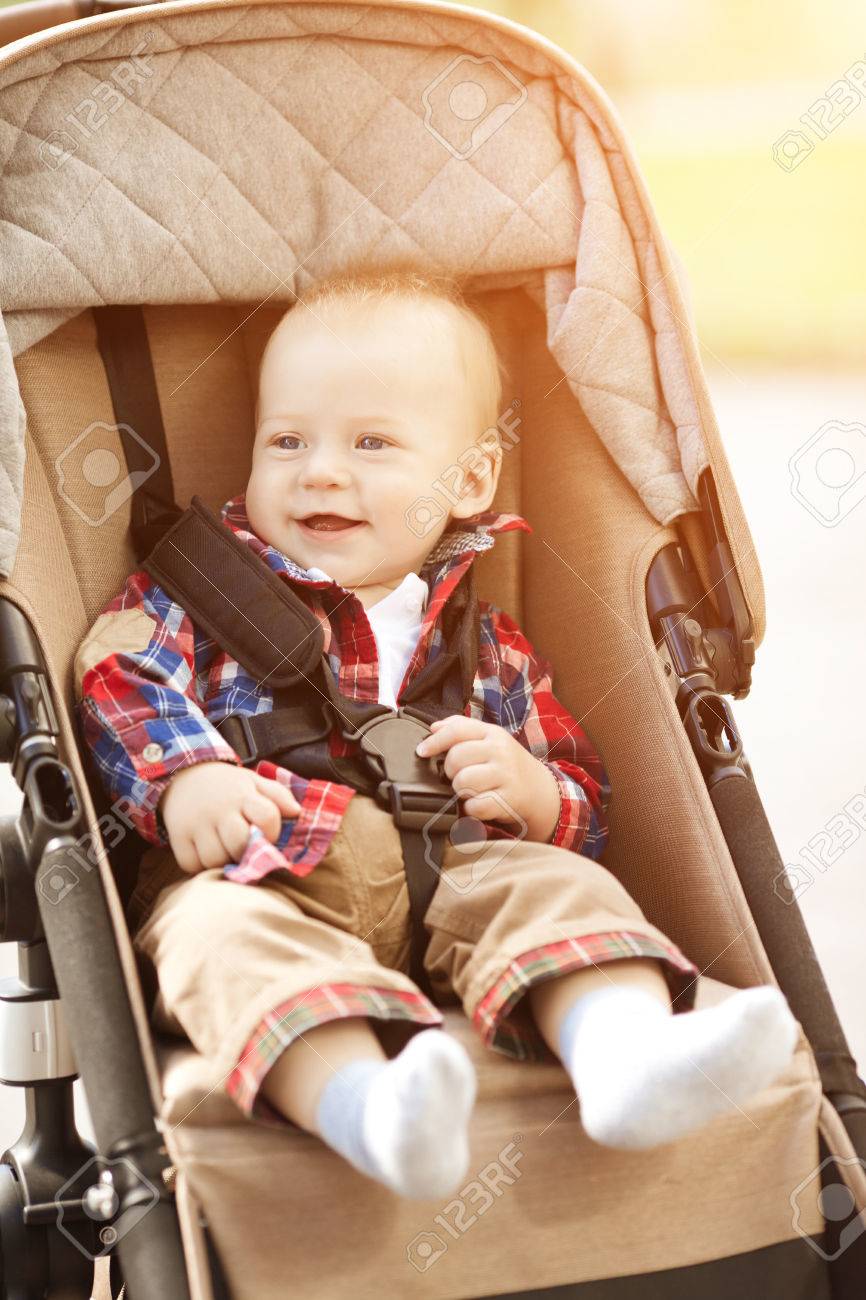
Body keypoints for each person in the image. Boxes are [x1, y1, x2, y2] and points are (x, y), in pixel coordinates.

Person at [75, 269, 799, 1201]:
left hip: (455, 876)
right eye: (286, 439)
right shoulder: (202, 591)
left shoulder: (482, 640)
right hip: (265, 877)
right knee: (217, 935)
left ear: (466, 482)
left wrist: (538, 798)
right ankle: (366, 1107)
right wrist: (187, 777)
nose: (320, 469)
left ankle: (625, 1060)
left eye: (372, 443)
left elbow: (581, 788)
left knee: (558, 883)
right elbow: (116, 672)